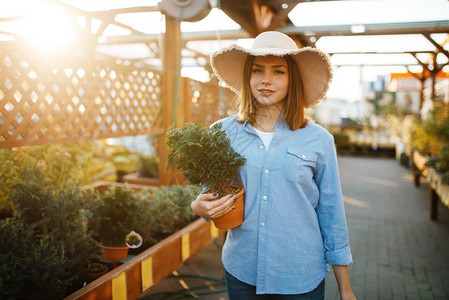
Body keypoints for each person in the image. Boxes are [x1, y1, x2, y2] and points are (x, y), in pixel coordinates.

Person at [190, 31, 355, 300]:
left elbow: (332, 213)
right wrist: (198, 207)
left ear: (293, 81)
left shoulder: (319, 140)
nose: (266, 80)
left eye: (278, 72)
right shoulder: (222, 133)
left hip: (300, 276)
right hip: (242, 271)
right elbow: (210, 192)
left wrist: (345, 289)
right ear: (248, 77)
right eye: (257, 71)